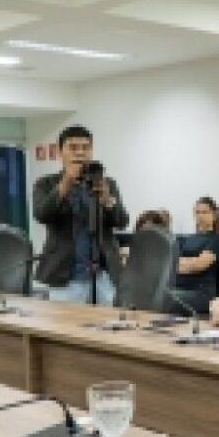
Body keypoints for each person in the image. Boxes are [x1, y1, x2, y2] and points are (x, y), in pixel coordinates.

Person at [33, 125, 130, 305]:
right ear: (60, 152)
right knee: (65, 322)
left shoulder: (107, 184)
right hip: (65, 277)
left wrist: (107, 200)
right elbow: (42, 215)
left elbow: (122, 222)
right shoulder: (45, 183)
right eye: (73, 147)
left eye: (86, 148)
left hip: (104, 276)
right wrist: (65, 184)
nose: (80, 153)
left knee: (108, 322)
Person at [172, 196, 219, 314]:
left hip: (202, 293)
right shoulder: (189, 239)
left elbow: (198, 265)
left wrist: (179, 263)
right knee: (153, 294)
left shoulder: (216, 239)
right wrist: (184, 263)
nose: (200, 216)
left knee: (164, 300)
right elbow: (173, 262)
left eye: (205, 212)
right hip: (180, 288)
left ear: (214, 215)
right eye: (197, 212)